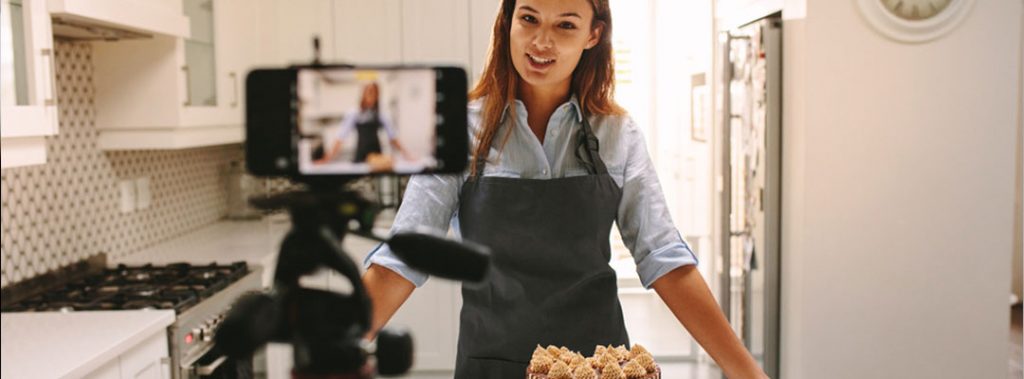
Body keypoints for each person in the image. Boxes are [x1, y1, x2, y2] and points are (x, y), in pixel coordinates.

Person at [361, 0, 769, 378]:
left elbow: (664, 258)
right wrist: (337, 350)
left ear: (593, 35)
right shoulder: (456, 132)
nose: (541, 41)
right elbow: (403, 258)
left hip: (597, 367)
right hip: (490, 365)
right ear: (507, 22)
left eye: (566, 25)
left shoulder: (616, 135)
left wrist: (748, 373)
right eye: (529, 18)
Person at [315, 82, 409, 165]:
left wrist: (407, 156)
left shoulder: (381, 114)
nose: (371, 95)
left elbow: (393, 137)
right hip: (360, 157)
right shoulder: (354, 113)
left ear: (377, 96)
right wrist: (326, 159)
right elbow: (341, 137)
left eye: (374, 93)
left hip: (376, 159)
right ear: (363, 94)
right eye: (369, 92)